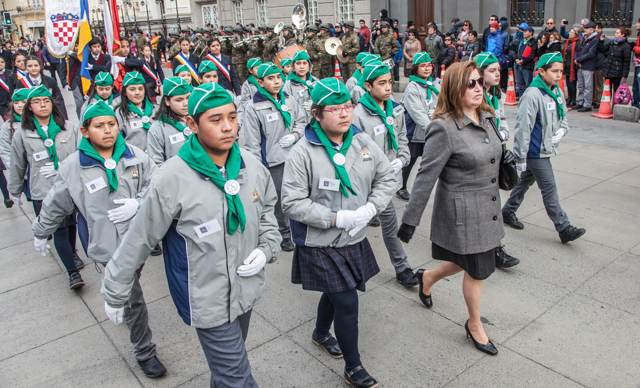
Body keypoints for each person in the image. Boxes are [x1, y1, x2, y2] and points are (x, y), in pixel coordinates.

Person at [102, 82, 280, 387]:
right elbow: (140, 238)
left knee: (226, 370)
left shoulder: (251, 165)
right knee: (237, 378)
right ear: (192, 124)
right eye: (215, 120)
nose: (228, 127)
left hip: (245, 289)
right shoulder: (171, 177)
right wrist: (115, 291)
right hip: (205, 297)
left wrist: (267, 248)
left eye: (232, 117)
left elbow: (267, 214)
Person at [30, 100, 166, 377]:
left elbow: (157, 186)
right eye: (99, 126)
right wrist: (41, 231)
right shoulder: (72, 167)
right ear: (85, 130)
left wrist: (138, 202)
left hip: (138, 240)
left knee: (130, 290)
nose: (107, 131)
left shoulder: (136, 156)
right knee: (132, 297)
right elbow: (57, 203)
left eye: (112, 124)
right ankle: (145, 351)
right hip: (108, 246)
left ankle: (124, 305)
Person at [281, 77, 395, 388]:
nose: (345, 114)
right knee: (346, 301)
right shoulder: (302, 152)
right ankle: (353, 367)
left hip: (354, 238)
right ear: (317, 114)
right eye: (335, 108)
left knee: (335, 295)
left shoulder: (361, 142)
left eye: (348, 106)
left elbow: (387, 178)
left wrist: (372, 208)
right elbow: (291, 203)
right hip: (320, 242)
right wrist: (336, 218)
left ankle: (320, 333)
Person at [397, 61, 503, 356]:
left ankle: (427, 277)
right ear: (455, 88)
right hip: (463, 215)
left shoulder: (487, 116)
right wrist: (410, 220)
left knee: (461, 263)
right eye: (471, 83)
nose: (479, 87)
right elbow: (425, 177)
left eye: (480, 81)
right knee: (478, 270)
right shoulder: (443, 128)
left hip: (489, 207)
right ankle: (474, 324)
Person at [502, 53, 586, 244]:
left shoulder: (557, 92)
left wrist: (563, 130)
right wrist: (520, 157)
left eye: (561, 71)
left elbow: (563, 116)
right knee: (549, 188)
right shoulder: (532, 95)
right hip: (535, 152)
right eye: (554, 71)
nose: (558, 75)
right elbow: (523, 128)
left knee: (524, 183)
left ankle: (508, 211)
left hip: (544, 149)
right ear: (541, 71)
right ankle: (563, 227)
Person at [8, 86, 84, 288]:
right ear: (29, 107)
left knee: (70, 226)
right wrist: (14, 190)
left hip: (68, 187)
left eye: (46, 101)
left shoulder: (68, 127)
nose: (43, 105)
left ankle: (73, 253)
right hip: (44, 190)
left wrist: (61, 166)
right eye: (37, 102)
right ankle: (73, 273)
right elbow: (17, 163)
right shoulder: (23, 133)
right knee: (58, 229)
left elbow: (80, 155)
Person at [352, 61, 419, 288]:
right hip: (368, 182)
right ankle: (399, 267)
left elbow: (402, 138)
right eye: (382, 83)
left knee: (385, 222)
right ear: (368, 86)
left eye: (390, 82)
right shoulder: (358, 115)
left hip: (387, 180)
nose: (388, 87)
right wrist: (379, 169)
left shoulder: (396, 109)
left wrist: (401, 159)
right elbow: (357, 153)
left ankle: (401, 268)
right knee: (371, 224)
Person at [243, 62, 306, 252]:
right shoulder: (253, 107)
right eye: (270, 78)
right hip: (272, 161)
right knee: (278, 198)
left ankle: (298, 226)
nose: (277, 81)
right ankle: (284, 233)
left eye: (278, 77)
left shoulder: (289, 100)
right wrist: (257, 168)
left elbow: (301, 121)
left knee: (298, 193)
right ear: (260, 82)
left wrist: (294, 136)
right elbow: (253, 142)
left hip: (293, 156)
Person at [473, 52, 520, 268]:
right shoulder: (475, 96)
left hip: (495, 151)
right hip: (479, 155)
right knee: (481, 203)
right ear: (480, 74)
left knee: (490, 202)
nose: (498, 74)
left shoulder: (496, 95)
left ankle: (494, 248)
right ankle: (491, 248)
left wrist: (503, 138)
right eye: (492, 71)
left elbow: (502, 120)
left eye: (498, 70)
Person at [399, 52, 439, 202]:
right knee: (409, 162)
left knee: (429, 163)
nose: (427, 69)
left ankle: (421, 190)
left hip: (430, 132)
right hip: (415, 132)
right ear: (416, 68)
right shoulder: (412, 87)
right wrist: (434, 130)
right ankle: (400, 187)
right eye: (423, 66)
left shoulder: (433, 85)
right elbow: (418, 114)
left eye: (429, 65)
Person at [147, 77, 193, 165]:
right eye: (179, 100)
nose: (185, 103)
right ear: (167, 101)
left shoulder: (198, 120)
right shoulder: (158, 128)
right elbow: (155, 163)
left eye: (188, 98)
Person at [115, 72, 158, 153]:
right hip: (133, 158)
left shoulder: (156, 109)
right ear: (125, 92)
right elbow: (117, 140)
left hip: (155, 159)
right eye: (132, 89)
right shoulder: (119, 113)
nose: (137, 92)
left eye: (140, 89)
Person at [17, 55, 69, 120]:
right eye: (30, 66)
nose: (33, 68)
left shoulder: (50, 81)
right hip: (31, 117)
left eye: (36, 65)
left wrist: (63, 118)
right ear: (26, 67)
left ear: (40, 66)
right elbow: (20, 101)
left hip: (49, 115)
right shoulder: (21, 82)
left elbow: (59, 100)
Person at [0, 89, 28, 208]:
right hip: (26, 174)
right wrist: (16, 174)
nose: (20, 105)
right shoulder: (8, 127)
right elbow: (5, 152)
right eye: (16, 103)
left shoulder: (39, 121)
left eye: (23, 101)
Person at [283, 50, 318, 121]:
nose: (302, 67)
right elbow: (288, 107)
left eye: (304, 63)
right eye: (298, 63)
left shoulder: (316, 82)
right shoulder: (288, 85)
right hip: (299, 123)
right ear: (293, 66)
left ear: (309, 65)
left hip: (316, 122)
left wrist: (315, 104)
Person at [600, 27, 632, 103]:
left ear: (623, 35)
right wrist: (601, 41)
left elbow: (626, 62)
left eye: (617, 33)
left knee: (616, 90)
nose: (615, 34)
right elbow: (602, 50)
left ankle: (614, 105)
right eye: (616, 32)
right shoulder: (612, 43)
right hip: (608, 70)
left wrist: (625, 75)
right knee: (607, 89)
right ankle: (606, 104)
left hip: (617, 72)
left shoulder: (626, 46)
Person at [574, 22, 599, 112]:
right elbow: (578, 49)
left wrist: (579, 59)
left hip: (588, 66)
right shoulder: (584, 38)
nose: (585, 30)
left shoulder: (595, 39)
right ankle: (581, 102)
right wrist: (576, 58)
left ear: (592, 30)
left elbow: (591, 53)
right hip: (580, 65)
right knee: (580, 85)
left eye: (587, 28)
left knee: (588, 86)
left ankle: (587, 104)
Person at [512, 23, 536, 99]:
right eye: (523, 31)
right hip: (518, 65)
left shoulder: (533, 41)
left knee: (527, 83)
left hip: (527, 66)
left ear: (530, 33)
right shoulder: (522, 40)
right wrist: (516, 59)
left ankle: (528, 98)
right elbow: (516, 51)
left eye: (525, 31)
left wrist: (523, 61)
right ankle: (521, 97)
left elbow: (533, 54)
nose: (524, 33)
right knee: (519, 83)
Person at [562, 28, 582, 109]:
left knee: (572, 84)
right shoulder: (568, 42)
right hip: (566, 66)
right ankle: (569, 98)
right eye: (570, 31)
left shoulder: (577, 42)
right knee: (568, 84)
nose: (570, 33)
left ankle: (573, 100)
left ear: (576, 34)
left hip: (572, 67)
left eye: (572, 32)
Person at [632, 19, 640, 109]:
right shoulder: (639, 34)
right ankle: (635, 107)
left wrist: (635, 48)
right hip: (637, 63)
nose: (636, 24)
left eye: (638, 23)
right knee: (636, 88)